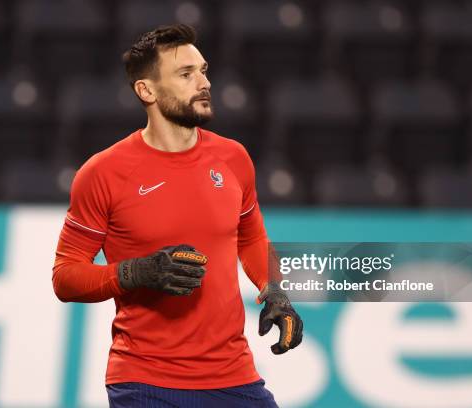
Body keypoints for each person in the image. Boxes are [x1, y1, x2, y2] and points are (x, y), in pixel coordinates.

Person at [52, 23, 303, 408]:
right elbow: (65, 277)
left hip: (234, 378)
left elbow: (251, 237)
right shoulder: (103, 173)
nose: (202, 82)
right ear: (146, 90)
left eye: (203, 71)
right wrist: (135, 273)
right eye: (185, 74)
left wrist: (275, 292)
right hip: (145, 382)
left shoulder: (234, 158)